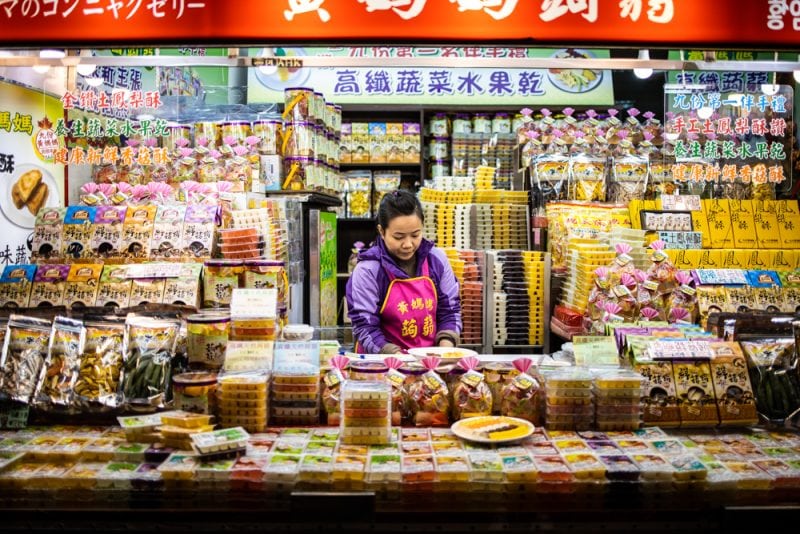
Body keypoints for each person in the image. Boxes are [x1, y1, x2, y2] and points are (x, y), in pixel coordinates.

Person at [346, 190, 462, 354]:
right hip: (383, 365)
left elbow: (450, 310)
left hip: (430, 362)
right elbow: (365, 326)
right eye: (399, 237)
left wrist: (444, 350)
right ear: (381, 231)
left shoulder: (436, 260)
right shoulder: (368, 270)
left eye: (415, 235)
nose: (408, 244)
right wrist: (397, 358)